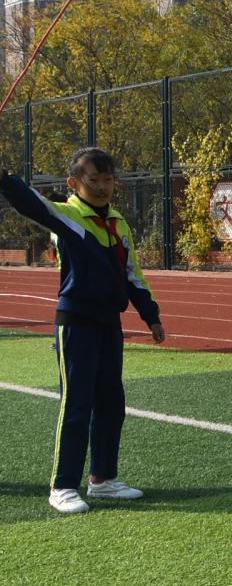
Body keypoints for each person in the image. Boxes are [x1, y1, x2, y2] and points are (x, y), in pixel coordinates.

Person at [0, 147, 165, 514]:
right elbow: (32, 204)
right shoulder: (70, 216)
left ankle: (103, 479)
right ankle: (63, 485)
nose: (104, 187)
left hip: (109, 323)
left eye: (109, 180)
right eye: (95, 180)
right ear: (75, 183)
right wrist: (4, 178)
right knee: (77, 403)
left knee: (111, 403)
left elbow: (132, 274)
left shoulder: (119, 223)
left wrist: (149, 314)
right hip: (76, 323)